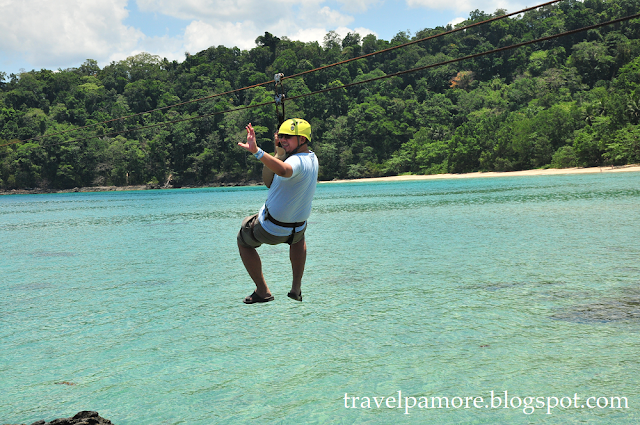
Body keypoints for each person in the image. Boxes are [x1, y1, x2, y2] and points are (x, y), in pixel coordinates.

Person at [236, 118, 319, 304]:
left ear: (303, 139)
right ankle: (296, 287)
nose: (283, 140)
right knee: (299, 237)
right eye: (280, 136)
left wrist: (257, 151)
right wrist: (279, 152)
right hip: (297, 230)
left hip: (271, 229)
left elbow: (282, 171)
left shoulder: (295, 162)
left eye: (288, 137)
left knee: (243, 239)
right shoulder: (312, 158)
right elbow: (270, 180)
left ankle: (263, 290)